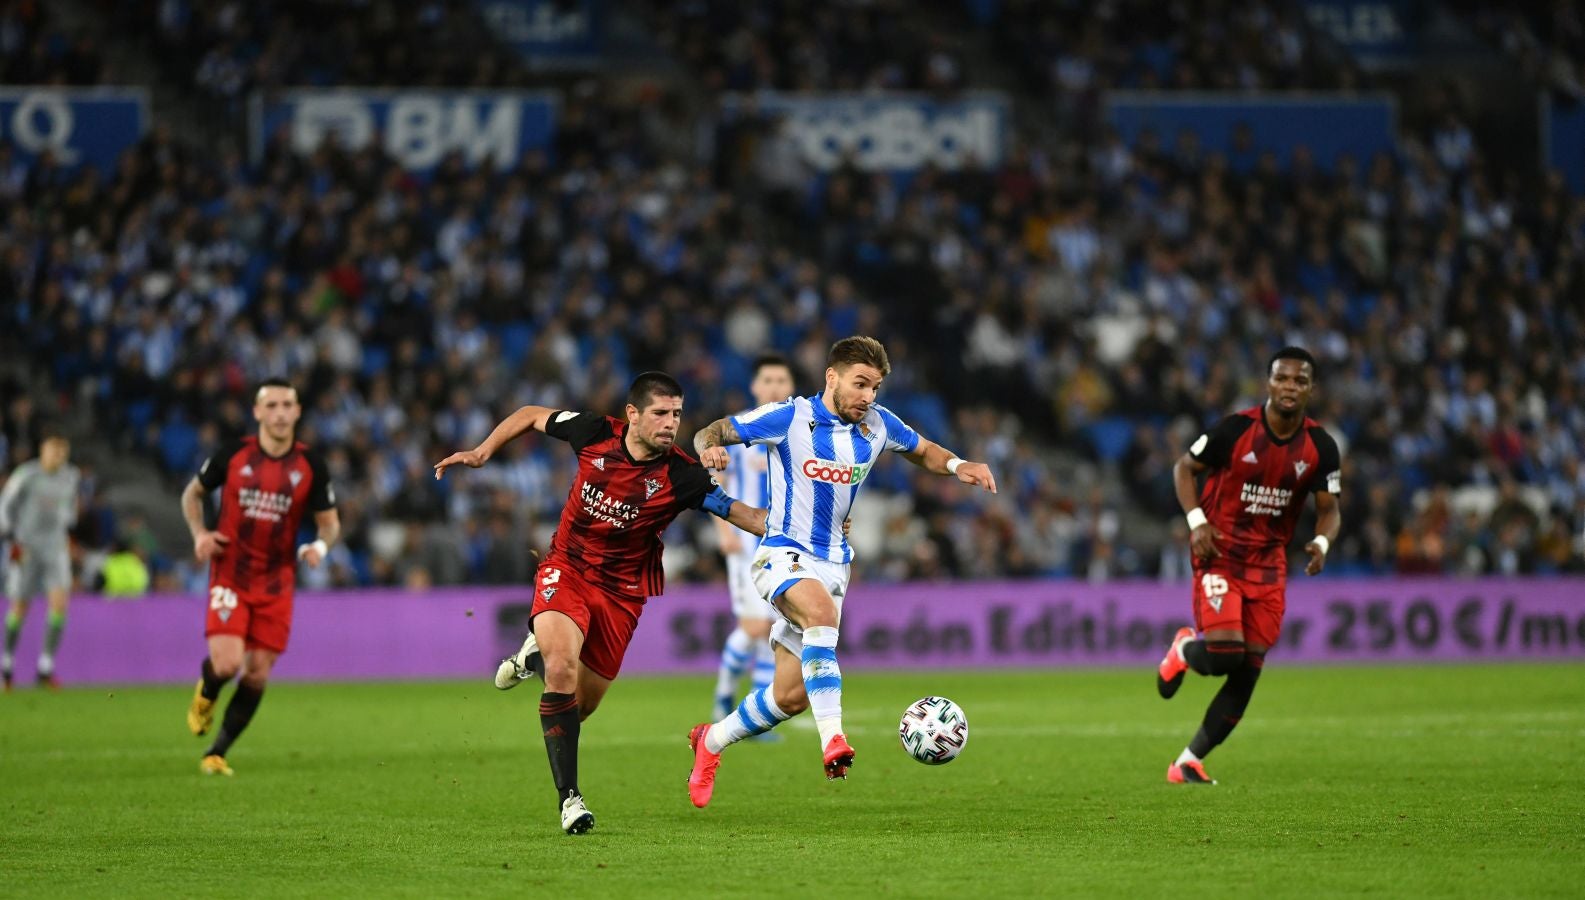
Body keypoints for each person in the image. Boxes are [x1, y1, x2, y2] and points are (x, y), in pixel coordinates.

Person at [433, 371, 770, 835]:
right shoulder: (593, 431)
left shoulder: (682, 474)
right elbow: (531, 415)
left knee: (578, 708)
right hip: (567, 569)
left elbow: (740, 513)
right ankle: (570, 798)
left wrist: (806, 531)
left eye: (677, 414)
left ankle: (534, 650)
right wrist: (482, 451)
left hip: (622, 594)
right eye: (660, 413)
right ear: (632, 414)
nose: (671, 423)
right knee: (562, 669)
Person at [685, 335, 997, 808]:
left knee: (789, 697)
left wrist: (958, 465)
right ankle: (833, 738)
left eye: (875, 387)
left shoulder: (877, 425)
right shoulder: (788, 417)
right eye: (860, 384)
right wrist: (709, 450)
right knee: (820, 617)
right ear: (831, 377)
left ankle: (710, 740)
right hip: (782, 552)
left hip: (835, 563)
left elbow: (922, 449)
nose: (868, 396)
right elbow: (711, 431)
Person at [1156, 347, 1342, 784]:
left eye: (1300, 381)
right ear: (1268, 383)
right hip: (1218, 553)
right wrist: (1197, 521)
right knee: (1224, 654)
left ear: (1311, 388)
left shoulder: (1321, 446)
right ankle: (1184, 648)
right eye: (1282, 378)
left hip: (1269, 565)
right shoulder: (1235, 430)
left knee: (1249, 666)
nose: (1290, 387)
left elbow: (1331, 509)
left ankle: (1187, 762)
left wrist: (1320, 541)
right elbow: (1184, 469)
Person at [180, 379, 340, 776]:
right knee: (227, 663)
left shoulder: (310, 465)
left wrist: (319, 548)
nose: (280, 413)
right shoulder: (233, 455)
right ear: (257, 412)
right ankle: (208, 691)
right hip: (230, 575)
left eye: (288, 404)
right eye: (272, 405)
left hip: (277, 582)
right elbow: (192, 495)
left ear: (298, 411)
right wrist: (200, 535)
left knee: (257, 670)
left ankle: (216, 752)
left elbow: (329, 523)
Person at [709, 354, 795, 726]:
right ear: (755, 387)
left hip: (786, 542)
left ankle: (753, 714)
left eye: (781, 380)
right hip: (746, 543)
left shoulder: (799, 429)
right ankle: (724, 695)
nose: (775, 386)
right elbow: (717, 482)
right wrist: (723, 531)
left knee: (773, 628)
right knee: (755, 627)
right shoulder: (740, 429)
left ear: (790, 387)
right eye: (768, 380)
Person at [0, 428, 80, 691]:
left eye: (63, 452)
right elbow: (5, 505)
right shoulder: (27, 475)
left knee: (59, 604)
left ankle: (45, 668)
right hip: (28, 548)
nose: (60, 456)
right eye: (55, 450)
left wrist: (68, 525)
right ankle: (7, 665)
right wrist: (10, 534)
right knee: (20, 606)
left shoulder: (71, 476)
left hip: (55, 548)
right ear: (43, 451)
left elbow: (69, 512)